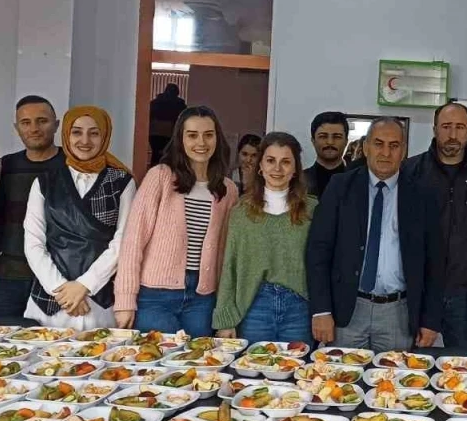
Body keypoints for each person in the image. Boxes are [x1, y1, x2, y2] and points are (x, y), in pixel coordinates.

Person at [306, 117, 443, 351]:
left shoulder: (422, 195)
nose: (386, 152)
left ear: (403, 151)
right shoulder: (340, 187)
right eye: (379, 144)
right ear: (366, 147)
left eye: (394, 145)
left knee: (391, 374)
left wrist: (430, 320)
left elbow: (435, 262)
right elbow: (318, 250)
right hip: (347, 311)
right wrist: (321, 310)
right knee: (341, 374)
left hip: (397, 314)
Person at [115, 106, 236, 335]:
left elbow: (226, 254)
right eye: (192, 135)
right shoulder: (160, 176)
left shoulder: (228, 189)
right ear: (180, 139)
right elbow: (133, 241)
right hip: (155, 295)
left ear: (217, 139)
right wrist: (125, 300)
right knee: (157, 356)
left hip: (202, 298)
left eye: (208, 135)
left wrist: (225, 310)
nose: (201, 142)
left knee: (198, 357)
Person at [23, 106, 135, 329]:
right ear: (66, 134)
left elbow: (124, 241)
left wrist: (85, 285)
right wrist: (62, 290)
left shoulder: (122, 182)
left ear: (105, 136)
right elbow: (33, 243)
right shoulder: (45, 182)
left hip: (100, 298)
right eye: (76, 132)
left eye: (94, 133)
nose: (85, 140)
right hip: (50, 300)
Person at [403, 103, 467, 348]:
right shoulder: (411, 170)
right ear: (435, 129)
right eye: (446, 126)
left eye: (460, 127)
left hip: (464, 294)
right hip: (418, 290)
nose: (453, 134)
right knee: (412, 360)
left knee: (460, 363)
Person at [213, 132, 317, 342]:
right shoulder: (241, 212)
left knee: (297, 363)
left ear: (295, 169)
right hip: (253, 307)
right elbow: (229, 266)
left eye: (285, 162)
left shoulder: (313, 210)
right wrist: (225, 319)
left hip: (299, 308)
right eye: (270, 160)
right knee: (253, 363)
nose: (277, 168)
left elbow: (322, 266)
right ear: (260, 166)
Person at [0, 95, 61, 317]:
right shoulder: (6, 166)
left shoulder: (71, 165)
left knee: (55, 337)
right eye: (26, 122)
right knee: (1, 335)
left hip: (58, 275)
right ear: (17, 128)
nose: (34, 128)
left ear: (56, 125)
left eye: (42, 121)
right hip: (9, 276)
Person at [303, 111, 349, 200]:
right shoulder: (298, 181)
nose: (330, 142)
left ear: (346, 141)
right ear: (313, 141)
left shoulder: (359, 182)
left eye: (337, 136)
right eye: (323, 136)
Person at [148, 83, 186, 166]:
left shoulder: (154, 103)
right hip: (170, 132)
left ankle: (154, 170)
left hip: (154, 132)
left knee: (156, 154)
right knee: (168, 155)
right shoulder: (180, 104)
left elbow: (149, 117)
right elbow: (183, 119)